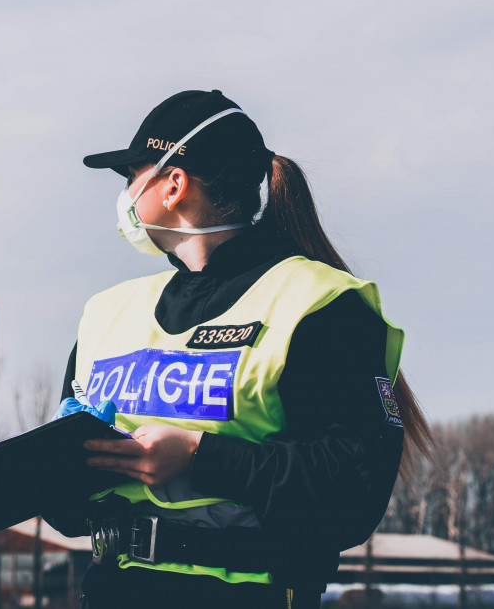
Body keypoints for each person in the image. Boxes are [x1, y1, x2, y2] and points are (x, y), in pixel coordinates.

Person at [45, 90, 432, 609]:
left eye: (131, 176)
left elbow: (352, 492)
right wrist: (56, 470)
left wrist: (197, 456)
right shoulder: (107, 313)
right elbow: (67, 514)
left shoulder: (315, 302)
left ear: (174, 184)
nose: (127, 194)